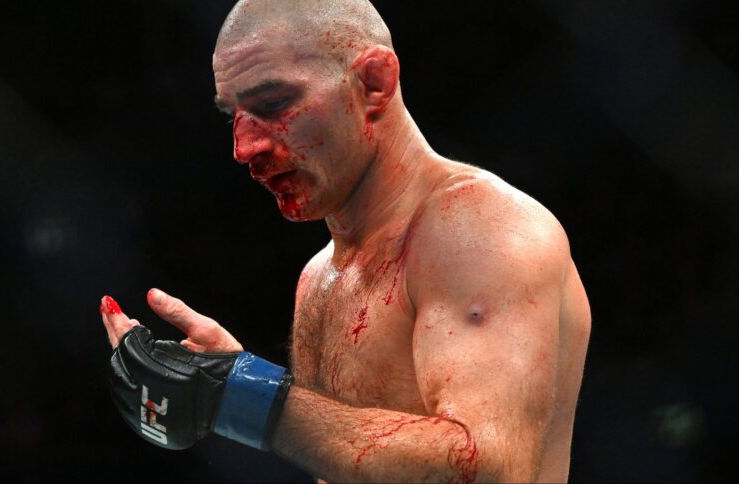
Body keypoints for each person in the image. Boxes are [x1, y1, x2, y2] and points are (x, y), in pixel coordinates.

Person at [100, 0, 591, 481]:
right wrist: (231, 383)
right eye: (234, 115)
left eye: (273, 104)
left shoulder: (476, 228)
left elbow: (489, 469)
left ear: (373, 83)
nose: (244, 148)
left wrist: (240, 395)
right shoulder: (319, 278)